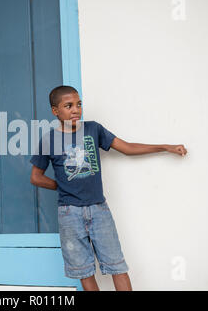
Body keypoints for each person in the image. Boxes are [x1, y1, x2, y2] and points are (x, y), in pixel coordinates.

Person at [29, 85, 187, 291]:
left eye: (78, 104)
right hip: (69, 214)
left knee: (117, 265)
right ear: (55, 111)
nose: (76, 110)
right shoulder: (48, 140)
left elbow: (127, 147)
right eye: (68, 106)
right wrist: (62, 186)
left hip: (99, 210)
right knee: (84, 271)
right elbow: (36, 178)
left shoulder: (93, 129)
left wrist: (165, 147)